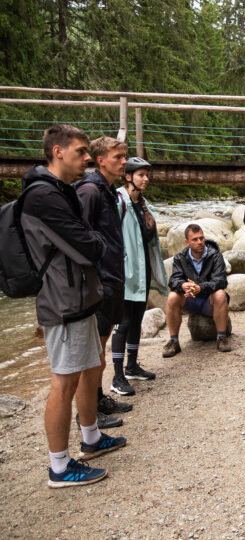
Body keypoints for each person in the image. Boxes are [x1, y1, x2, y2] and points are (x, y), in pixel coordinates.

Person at [20, 124, 126, 488]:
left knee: (88, 365)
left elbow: (87, 239)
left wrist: (93, 240)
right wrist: (96, 241)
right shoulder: (43, 196)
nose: (86, 158)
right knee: (63, 381)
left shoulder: (60, 191)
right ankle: (60, 467)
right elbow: (89, 244)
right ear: (57, 152)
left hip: (78, 294)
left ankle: (92, 438)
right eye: (81, 151)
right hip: (61, 299)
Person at [74, 137, 131, 429]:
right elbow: (79, 239)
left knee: (102, 345)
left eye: (125, 156)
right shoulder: (90, 191)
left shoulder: (108, 191)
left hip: (111, 279)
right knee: (93, 352)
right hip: (98, 283)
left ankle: (97, 399)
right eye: (118, 157)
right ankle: (88, 413)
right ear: (101, 160)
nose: (124, 161)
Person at [110, 158, 168, 396]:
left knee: (136, 320)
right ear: (128, 176)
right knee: (122, 323)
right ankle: (117, 376)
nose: (145, 179)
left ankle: (131, 366)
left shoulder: (143, 204)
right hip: (125, 272)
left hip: (142, 272)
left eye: (147, 175)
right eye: (141, 175)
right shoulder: (118, 201)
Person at [162, 224, 232, 355]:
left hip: (209, 302)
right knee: (172, 296)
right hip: (190, 301)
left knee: (220, 294)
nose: (199, 242)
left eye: (201, 238)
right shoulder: (180, 257)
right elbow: (173, 280)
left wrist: (200, 287)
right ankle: (174, 341)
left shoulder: (215, 255)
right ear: (187, 242)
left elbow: (221, 281)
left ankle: (221, 337)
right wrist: (183, 285)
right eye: (195, 239)